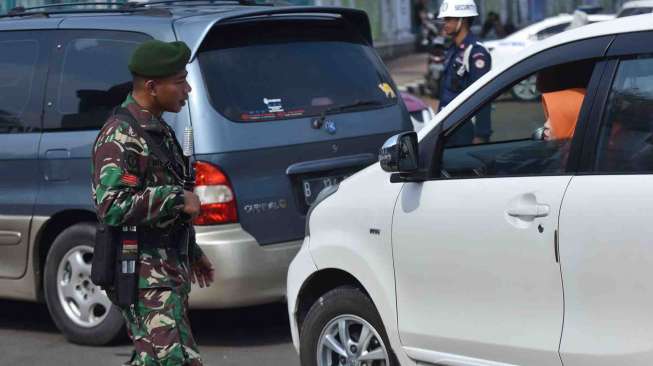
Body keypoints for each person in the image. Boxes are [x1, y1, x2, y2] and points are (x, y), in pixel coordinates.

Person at [91, 40, 214, 366]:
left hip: (166, 271)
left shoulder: (155, 129)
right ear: (152, 86)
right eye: (179, 81)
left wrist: (193, 252)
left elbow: (161, 194)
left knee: (154, 360)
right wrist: (176, 198)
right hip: (145, 278)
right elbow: (112, 206)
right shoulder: (121, 135)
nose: (187, 89)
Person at [438, 0, 493, 145]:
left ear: (462, 20)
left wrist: (481, 135)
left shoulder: (475, 52)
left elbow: (483, 95)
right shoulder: (452, 50)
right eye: (444, 19)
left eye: (449, 19)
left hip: (465, 129)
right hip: (447, 126)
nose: (445, 23)